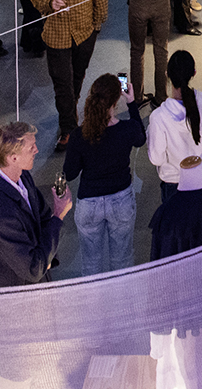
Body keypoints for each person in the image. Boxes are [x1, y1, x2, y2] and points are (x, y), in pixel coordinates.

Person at [31, 0, 109, 149]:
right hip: (56, 35)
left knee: (77, 77)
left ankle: (69, 110)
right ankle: (68, 129)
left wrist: (96, 25)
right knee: (62, 83)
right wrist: (49, 3)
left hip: (84, 33)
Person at [62, 74, 147, 275]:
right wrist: (132, 102)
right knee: (122, 260)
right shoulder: (127, 129)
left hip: (89, 204)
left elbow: (70, 173)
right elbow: (141, 138)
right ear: (116, 101)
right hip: (121, 201)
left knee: (91, 264)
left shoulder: (78, 136)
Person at [0, 121, 73, 288]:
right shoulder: (0, 215)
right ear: (13, 158)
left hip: (36, 286)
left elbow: (44, 217)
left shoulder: (24, 177)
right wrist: (59, 214)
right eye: (31, 148)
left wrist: (46, 260)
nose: (37, 150)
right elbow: (33, 269)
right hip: (17, 297)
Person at [147, 49, 202, 201]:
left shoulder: (159, 117)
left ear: (167, 74)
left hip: (174, 183)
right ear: (194, 73)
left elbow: (156, 159)